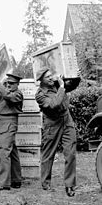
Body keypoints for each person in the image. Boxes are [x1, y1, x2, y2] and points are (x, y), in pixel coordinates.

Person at [35, 67, 81, 197]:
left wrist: (76, 77)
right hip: (52, 124)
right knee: (48, 154)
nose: (51, 78)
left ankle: (70, 185)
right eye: (47, 77)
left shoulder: (57, 84)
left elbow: (70, 86)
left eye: (51, 75)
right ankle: (45, 183)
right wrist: (61, 87)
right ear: (41, 81)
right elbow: (54, 104)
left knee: (70, 153)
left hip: (66, 120)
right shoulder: (40, 94)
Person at [0, 73, 24, 190]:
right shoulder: (7, 93)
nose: (9, 85)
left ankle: (3, 182)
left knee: (4, 151)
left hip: (9, 123)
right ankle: (16, 180)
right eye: (7, 83)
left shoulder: (17, 94)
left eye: (12, 83)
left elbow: (8, 96)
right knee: (12, 152)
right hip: (5, 123)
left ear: (18, 84)